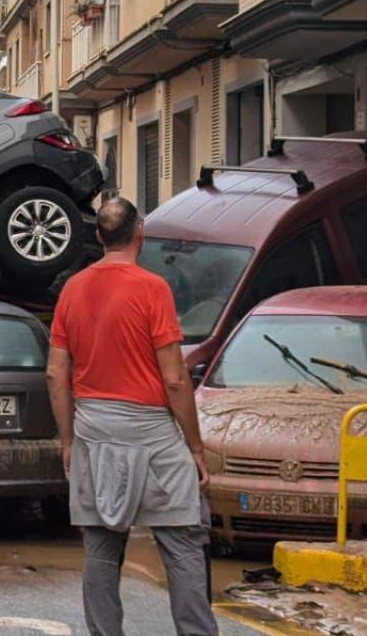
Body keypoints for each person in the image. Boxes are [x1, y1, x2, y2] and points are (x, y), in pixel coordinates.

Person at [47, 196, 215, 636]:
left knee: (101, 549)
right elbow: (175, 378)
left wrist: (68, 441)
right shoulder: (152, 288)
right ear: (140, 232)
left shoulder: (73, 289)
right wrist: (194, 447)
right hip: (153, 433)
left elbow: (55, 373)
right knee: (183, 542)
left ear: (99, 237)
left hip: (94, 430)